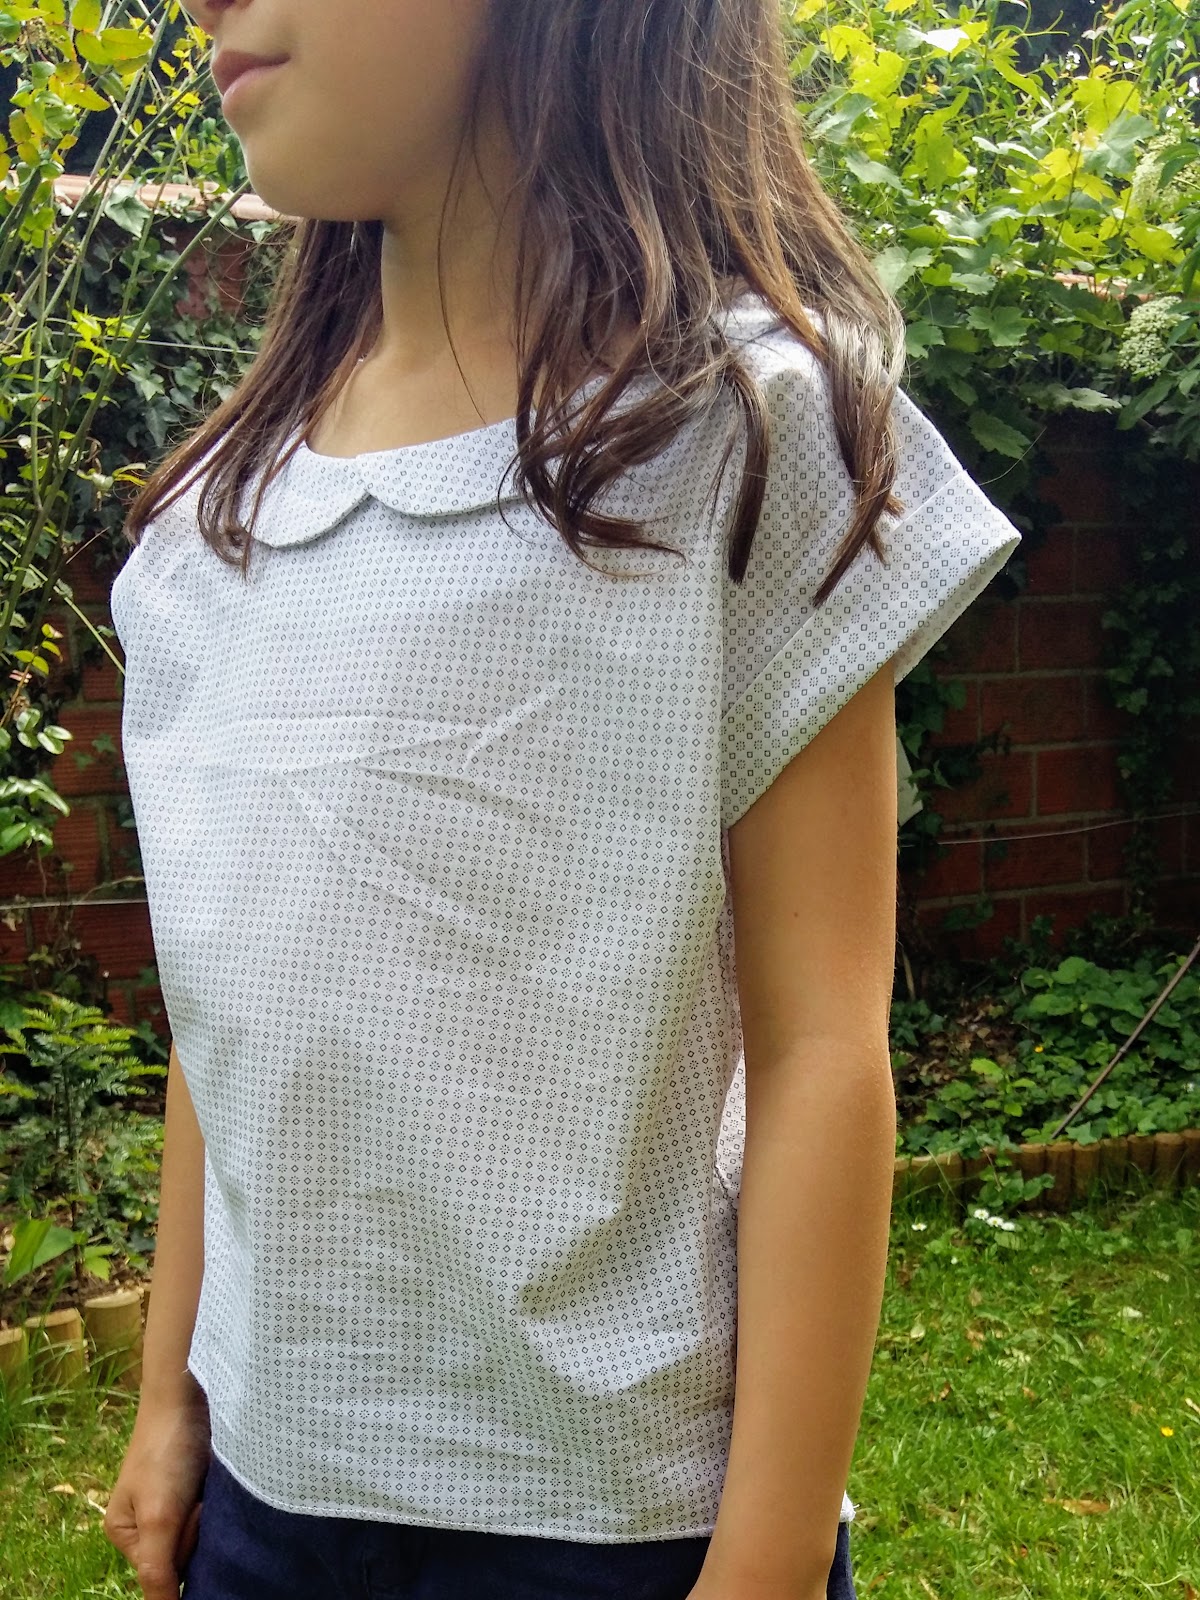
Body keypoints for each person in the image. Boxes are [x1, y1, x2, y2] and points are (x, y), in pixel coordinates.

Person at [101, 2, 1022, 1598]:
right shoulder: (212, 524)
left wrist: (766, 1562)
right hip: (267, 1495)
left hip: (619, 1525)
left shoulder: (739, 432)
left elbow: (821, 1050)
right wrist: (170, 1394)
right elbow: (225, 1007)